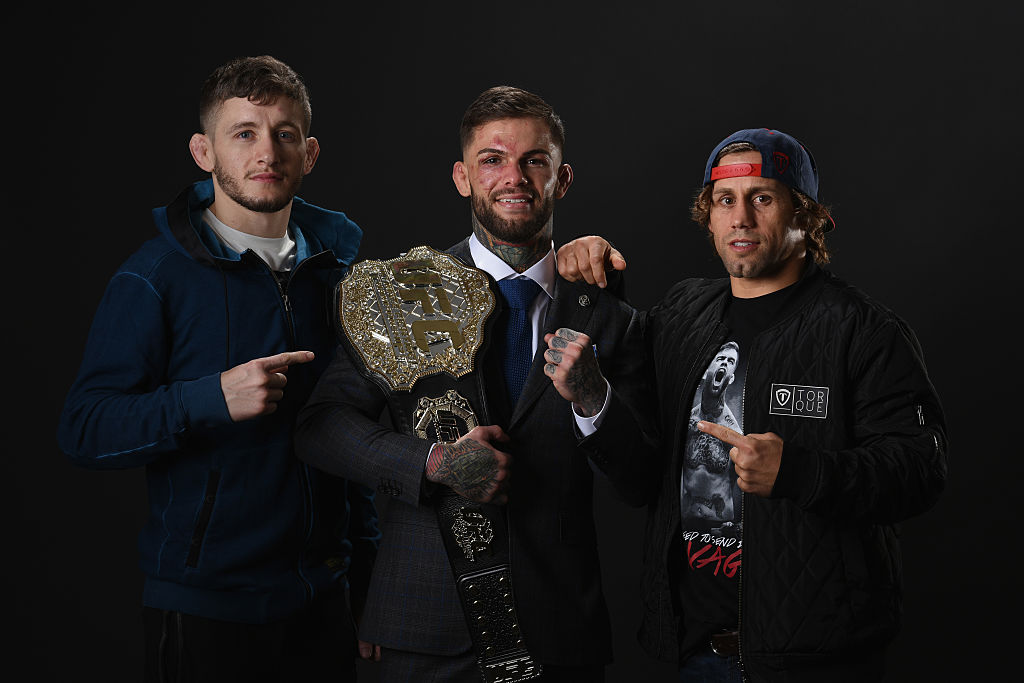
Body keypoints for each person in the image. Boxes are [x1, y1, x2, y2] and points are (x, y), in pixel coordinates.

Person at [547, 128, 948, 681]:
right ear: (708, 217)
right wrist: (593, 382)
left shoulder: (865, 331)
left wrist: (801, 472)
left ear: (805, 216)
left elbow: (922, 470)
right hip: (695, 652)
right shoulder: (679, 316)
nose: (741, 218)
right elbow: (639, 475)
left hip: (815, 660)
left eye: (762, 198)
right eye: (724, 201)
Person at [294, 86, 647, 682]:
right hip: (424, 626)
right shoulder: (398, 293)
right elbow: (319, 427)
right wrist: (432, 463)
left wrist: (594, 398)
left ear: (561, 180)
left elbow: (641, 479)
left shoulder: (609, 310)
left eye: (535, 160)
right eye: (493, 159)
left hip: (558, 628)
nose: (514, 177)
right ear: (463, 177)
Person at [57, 55, 379, 683]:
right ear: (204, 151)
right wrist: (209, 399)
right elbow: (84, 427)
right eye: (244, 133)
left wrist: (366, 579)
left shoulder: (339, 281)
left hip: (323, 605)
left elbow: (352, 439)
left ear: (309, 153)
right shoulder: (153, 278)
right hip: (206, 610)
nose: (267, 151)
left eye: (284, 133)